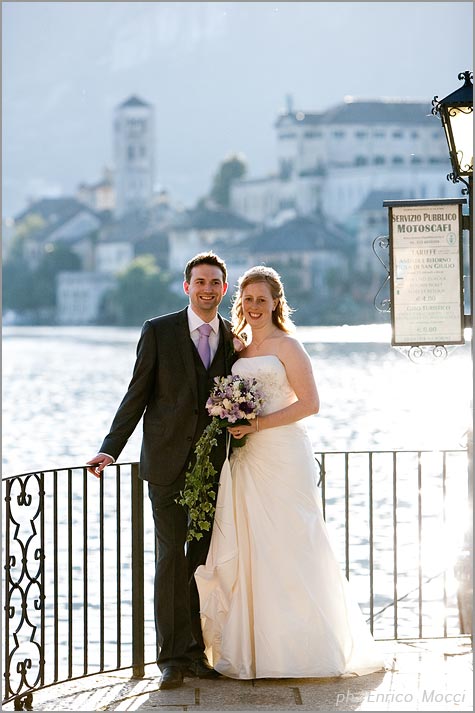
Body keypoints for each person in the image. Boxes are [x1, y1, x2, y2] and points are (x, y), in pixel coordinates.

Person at [194, 265, 387, 679]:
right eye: (247, 300)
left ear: (276, 302)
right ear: (240, 303)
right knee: (251, 548)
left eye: (262, 300)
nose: (254, 306)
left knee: (292, 542)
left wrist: (257, 424)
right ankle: (256, 651)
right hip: (245, 458)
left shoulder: (289, 347)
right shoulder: (238, 349)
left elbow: (310, 403)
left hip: (282, 455)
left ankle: (303, 650)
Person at [86, 252, 237, 690]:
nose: (207, 289)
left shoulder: (233, 338)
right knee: (171, 557)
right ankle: (171, 658)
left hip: (213, 469)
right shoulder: (158, 331)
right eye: (200, 282)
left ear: (223, 290)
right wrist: (109, 449)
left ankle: (198, 652)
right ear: (186, 286)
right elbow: (137, 395)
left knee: (202, 560)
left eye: (215, 283)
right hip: (166, 466)